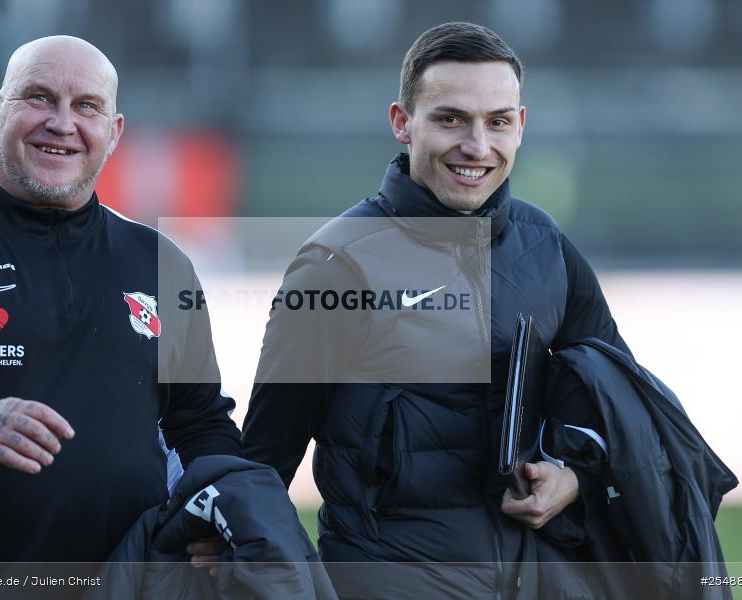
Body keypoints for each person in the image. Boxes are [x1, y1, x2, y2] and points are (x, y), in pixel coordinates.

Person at [242, 22, 633, 598]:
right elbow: (264, 462)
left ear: (520, 127)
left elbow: (618, 402)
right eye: (451, 118)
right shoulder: (336, 263)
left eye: (497, 121)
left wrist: (575, 475)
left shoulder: (545, 246)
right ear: (403, 122)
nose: (477, 146)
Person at [0, 36, 240, 596]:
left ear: (114, 133)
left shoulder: (161, 261)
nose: (62, 123)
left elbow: (199, 422)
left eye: (86, 107)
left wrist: (222, 513)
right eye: (40, 98)